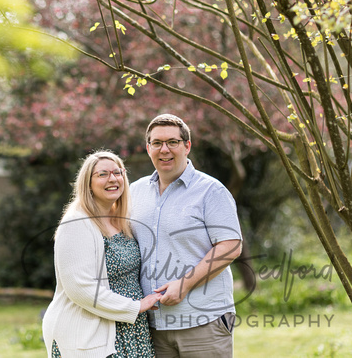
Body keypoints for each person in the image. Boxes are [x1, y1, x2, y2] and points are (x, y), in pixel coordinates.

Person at [130, 114, 243, 358]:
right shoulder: (134, 192)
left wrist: (185, 284)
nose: (165, 150)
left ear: (187, 146)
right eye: (157, 143)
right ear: (148, 148)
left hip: (204, 321)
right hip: (153, 326)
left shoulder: (211, 191)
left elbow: (231, 246)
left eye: (173, 142)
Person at [42, 150, 162, 358]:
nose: (113, 179)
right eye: (103, 174)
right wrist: (135, 306)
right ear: (88, 183)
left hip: (131, 328)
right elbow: (80, 287)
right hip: (90, 332)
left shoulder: (123, 219)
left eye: (118, 172)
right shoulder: (77, 222)